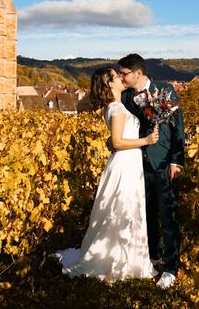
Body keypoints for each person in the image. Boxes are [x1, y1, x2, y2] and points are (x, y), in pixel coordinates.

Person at [55, 67, 159, 282]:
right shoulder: (117, 108)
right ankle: (120, 259)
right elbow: (119, 142)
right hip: (125, 162)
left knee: (124, 207)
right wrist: (146, 141)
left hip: (127, 162)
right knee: (123, 207)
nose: (122, 77)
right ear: (110, 84)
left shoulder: (114, 107)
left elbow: (113, 140)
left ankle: (127, 255)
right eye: (116, 76)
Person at [118, 54, 185, 289]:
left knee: (168, 216)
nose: (121, 77)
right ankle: (153, 257)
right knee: (146, 213)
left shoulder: (164, 90)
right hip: (136, 164)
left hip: (163, 162)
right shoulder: (125, 97)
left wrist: (177, 161)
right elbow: (121, 127)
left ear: (138, 73)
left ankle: (171, 267)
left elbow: (178, 128)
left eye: (124, 73)